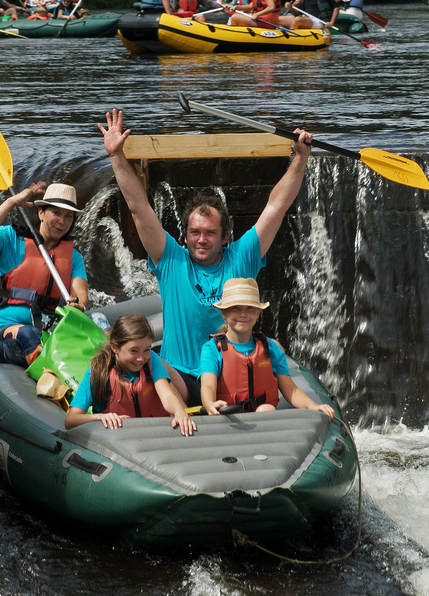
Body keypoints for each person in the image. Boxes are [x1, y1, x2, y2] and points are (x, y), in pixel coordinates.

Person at [102, 108, 315, 408]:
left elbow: (276, 206)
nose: (201, 239)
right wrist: (116, 156)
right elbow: (138, 208)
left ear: (225, 236)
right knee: (152, 367)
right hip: (182, 377)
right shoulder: (171, 259)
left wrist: (300, 158)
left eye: (210, 233)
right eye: (194, 232)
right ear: (185, 236)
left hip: (229, 375)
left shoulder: (242, 256)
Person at [0, 180, 89, 366]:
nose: (62, 221)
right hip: (1, 334)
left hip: (50, 335)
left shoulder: (73, 257)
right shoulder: (10, 238)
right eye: (56, 213)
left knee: (99, 321)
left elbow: (80, 296)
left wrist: (78, 306)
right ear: (41, 213)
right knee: (28, 334)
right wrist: (10, 203)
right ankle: (54, 380)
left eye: (69, 216)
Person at [197, 278, 335, 418]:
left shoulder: (270, 347)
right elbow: (207, 385)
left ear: (258, 313)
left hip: (265, 418)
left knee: (265, 409)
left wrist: (313, 406)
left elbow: (290, 390)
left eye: (249, 308)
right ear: (224, 313)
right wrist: (209, 404)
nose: (243, 314)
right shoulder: (211, 349)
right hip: (228, 416)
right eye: (235, 308)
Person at [67, 314, 196, 437]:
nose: (141, 358)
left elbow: (167, 394)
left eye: (146, 349)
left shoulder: (152, 360)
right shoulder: (98, 372)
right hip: (121, 441)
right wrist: (99, 418)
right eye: (133, 351)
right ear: (115, 348)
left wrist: (179, 411)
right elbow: (71, 420)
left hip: (155, 434)